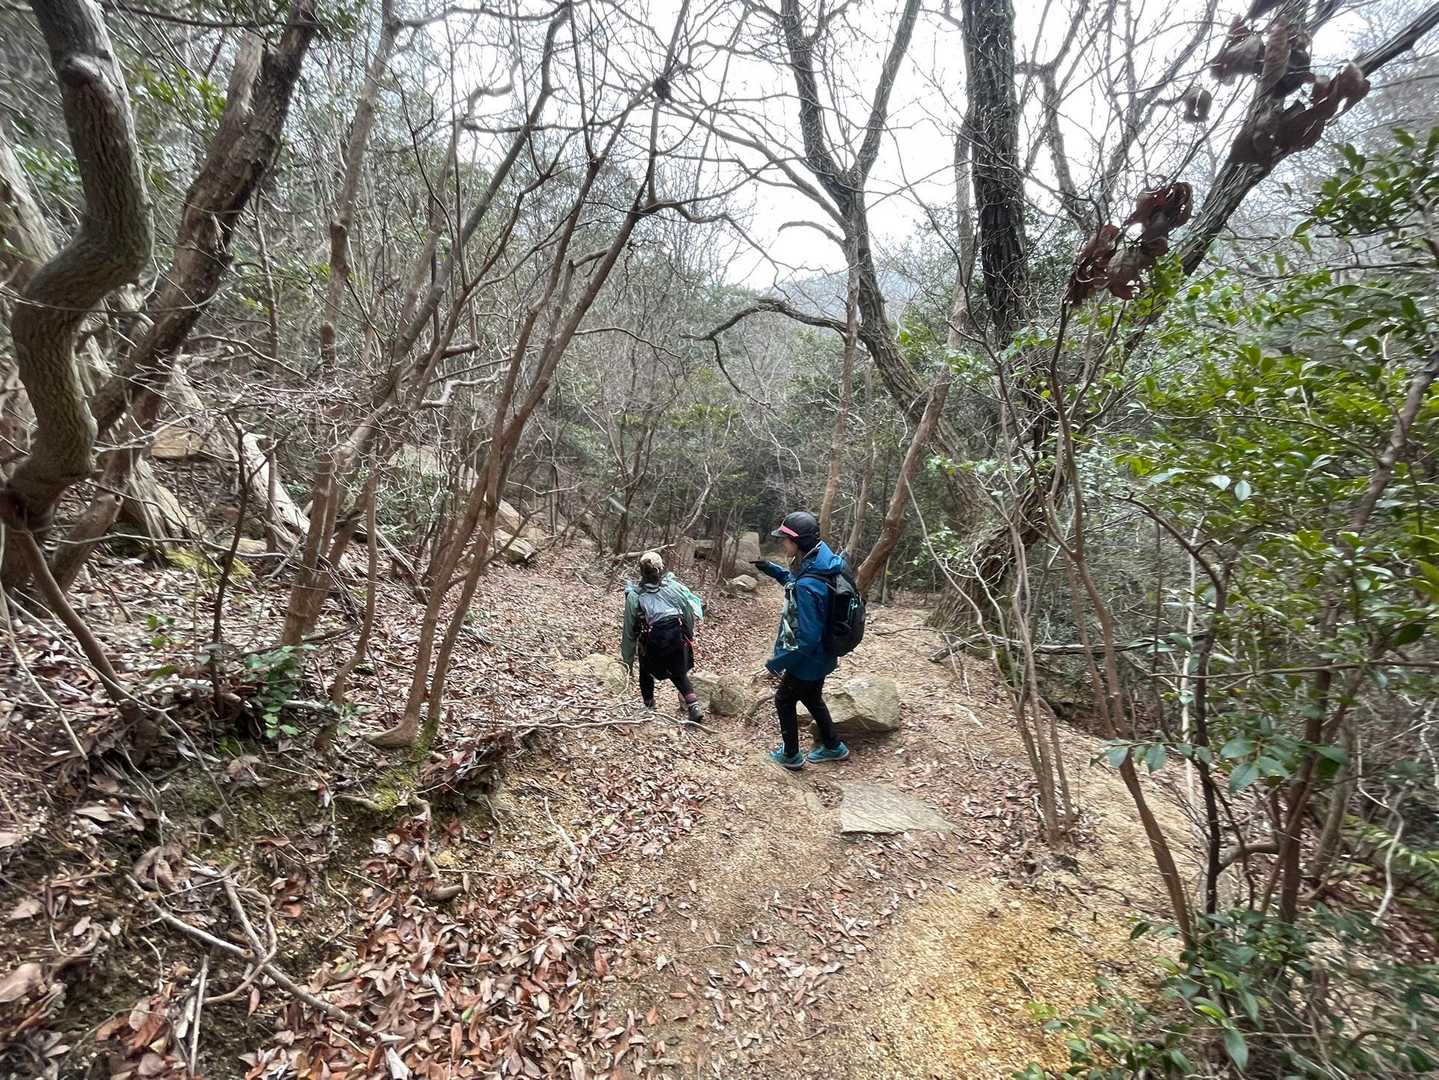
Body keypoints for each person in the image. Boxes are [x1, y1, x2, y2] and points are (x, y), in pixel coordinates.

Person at [750, 510, 850, 770]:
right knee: (812, 698)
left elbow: (806, 638)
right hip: (826, 652)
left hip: (809, 658)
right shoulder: (822, 560)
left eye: (785, 539)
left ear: (798, 542)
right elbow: (798, 582)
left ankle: (791, 755)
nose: (783, 543)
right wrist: (772, 570)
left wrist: (777, 662)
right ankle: (833, 746)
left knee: (784, 699)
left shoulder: (808, 582)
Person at [621, 551, 705, 722]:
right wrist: (689, 635)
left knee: (645, 671)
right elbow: (688, 613)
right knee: (678, 672)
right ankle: (694, 706)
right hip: (677, 638)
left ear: (641, 571)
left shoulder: (634, 596)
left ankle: (649, 706)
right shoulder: (675, 588)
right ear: (661, 568)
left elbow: (629, 631)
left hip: (652, 644)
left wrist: (627, 662)